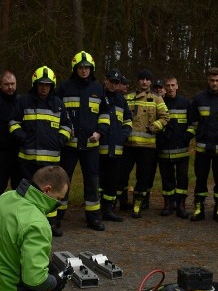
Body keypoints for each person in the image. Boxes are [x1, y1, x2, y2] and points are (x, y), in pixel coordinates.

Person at [9, 66, 72, 236]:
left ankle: (49, 224)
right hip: (27, 158)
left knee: (49, 193)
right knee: (26, 190)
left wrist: (60, 140)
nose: (44, 87)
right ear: (35, 84)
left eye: (48, 85)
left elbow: (67, 126)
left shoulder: (58, 104)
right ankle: (22, 223)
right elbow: (13, 122)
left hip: (50, 161)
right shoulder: (24, 101)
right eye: (41, 84)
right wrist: (22, 137)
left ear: (52, 86)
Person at [57, 51, 108, 232]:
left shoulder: (98, 89)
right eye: (81, 67)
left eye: (87, 68)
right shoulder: (64, 88)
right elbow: (57, 113)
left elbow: (104, 115)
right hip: (69, 146)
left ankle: (93, 218)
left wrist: (100, 133)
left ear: (91, 69)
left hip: (91, 146)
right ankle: (56, 217)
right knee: (62, 182)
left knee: (92, 182)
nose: (84, 70)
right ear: (75, 69)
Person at [118, 69, 169, 218]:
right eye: (142, 79)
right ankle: (122, 201)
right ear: (138, 81)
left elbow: (166, 117)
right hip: (128, 145)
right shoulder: (127, 98)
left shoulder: (157, 99)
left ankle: (138, 204)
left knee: (143, 176)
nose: (144, 82)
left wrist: (154, 127)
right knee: (122, 175)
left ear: (151, 82)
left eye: (147, 79)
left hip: (147, 147)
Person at [189, 67, 218, 222]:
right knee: (200, 178)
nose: (215, 83)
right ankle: (199, 208)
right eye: (212, 80)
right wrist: (195, 135)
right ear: (207, 80)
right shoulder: (198, 99)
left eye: (217, 80)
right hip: (203, 148)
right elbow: (193, 121)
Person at [157, 75, 194, 218]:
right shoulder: (160, 103)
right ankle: (168, 204)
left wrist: (186, 137)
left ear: (177, 86)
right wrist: (160, 137)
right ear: (164, 87)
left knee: (182, 178)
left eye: (173, 85)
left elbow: (193, 124)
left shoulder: (186, 103)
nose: (170, 88)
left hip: (182, 149)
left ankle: (181, 205)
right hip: (164, 148)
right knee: (166, 178)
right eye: (168, 85)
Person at [98, 69, 133, 222]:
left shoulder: (121, 100)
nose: (114, 85)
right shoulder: (98, 96)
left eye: (117, 83)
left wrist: (123, 136)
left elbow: (128, 121)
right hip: (98, 148)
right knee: (98, 181)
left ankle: (108, 209)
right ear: (105, 80)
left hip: (117, 149)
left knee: (112, 181)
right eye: (111, 81)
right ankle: (95, 209)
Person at [0, 70, 22, 210]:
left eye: (12, 84)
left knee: (20, 188)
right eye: (7, 84)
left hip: (18, 153)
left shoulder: (22, 101)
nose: (10, 87)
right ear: (0, 85)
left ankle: (18, 216)